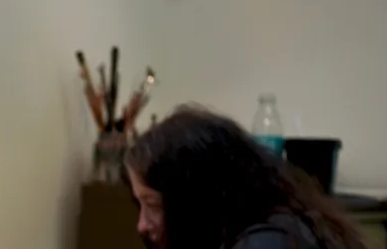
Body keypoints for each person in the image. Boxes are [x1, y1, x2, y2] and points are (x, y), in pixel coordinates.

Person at [124, 104, 364, 249]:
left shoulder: (268, 244)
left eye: (153, 205)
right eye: (141, 205)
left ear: (197, 196)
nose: (142, 225)